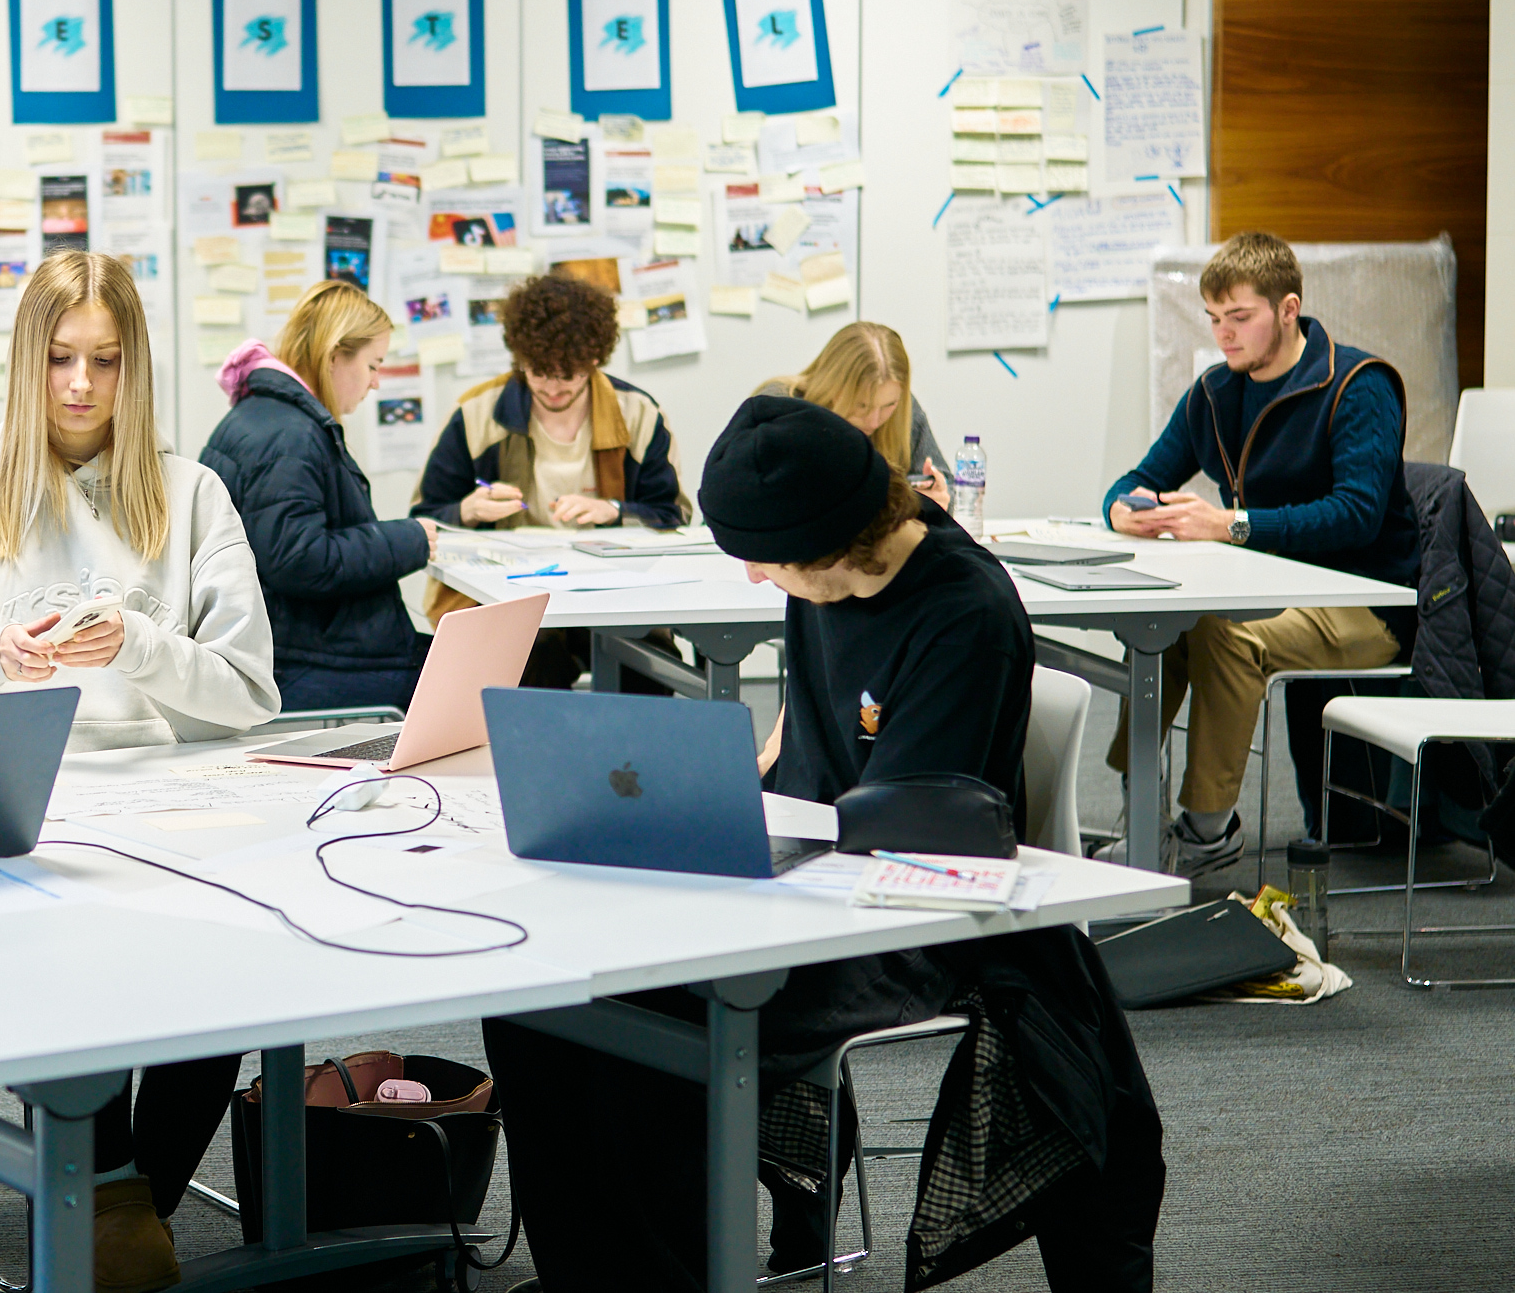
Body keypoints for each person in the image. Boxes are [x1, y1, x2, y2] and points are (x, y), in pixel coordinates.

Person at [483, 397, 1161, 1288]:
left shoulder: (965, 612)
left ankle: (656, 1272)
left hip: (904, 924)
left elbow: (908, 834)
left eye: (766, 562)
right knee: (531, 1000)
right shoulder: (827, 582)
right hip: (806, 879)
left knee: (635, 1014)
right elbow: (813, 763)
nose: (763, 584)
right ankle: (599, 1266)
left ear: (830, 540)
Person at [0, 250, 279, 1293]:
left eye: (105, 358)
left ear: (137, 365)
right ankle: (111, 1198)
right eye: (58, 357)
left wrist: (137, 641)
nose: (81, 383)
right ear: (24, 361)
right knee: (51, 973)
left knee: (223, 974)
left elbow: (249, 692)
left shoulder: (193, 494)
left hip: (174, 808)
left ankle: (123, 1200)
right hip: (21, 810)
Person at [1101, 231, 1417, 876]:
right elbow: (1135, 477)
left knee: (1225, 635)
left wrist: (1232, 525)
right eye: (1215, 319)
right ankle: (1140, 815)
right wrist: (1124, 508)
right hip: (1270, 587)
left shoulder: (1358, 385)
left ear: (1288, 308)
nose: (1224, 334)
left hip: (1367, 601)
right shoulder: (1217, 392)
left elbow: (1357, 514)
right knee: (1157, 628)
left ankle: (1208, 831)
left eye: (1240, 318)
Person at [412, 272, 688, 685]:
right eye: (538, 372)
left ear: (595, 359)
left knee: (650, 667)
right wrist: (467, 509)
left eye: (569, 374)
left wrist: (614, 511)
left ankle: (625, 752)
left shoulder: (637, 413)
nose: (553, 388)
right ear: (520, 357)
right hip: (510, 596)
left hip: (614, 595)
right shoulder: (478, 413)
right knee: (527, 665)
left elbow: (674, 515)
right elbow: (424, 517)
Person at [199, 280, 438, 714]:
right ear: (334, 358)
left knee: (457, 662)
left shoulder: (261, 415)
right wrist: (410, 540)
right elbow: (300, 560)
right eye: (373, 365)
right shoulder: (291, 435)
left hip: (291, 645)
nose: (377, 383)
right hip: (304, 661)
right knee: (478, 681)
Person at [757, 319, 953, 508]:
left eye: (888, 405)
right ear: (833, 388)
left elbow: (947, 487)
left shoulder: (903, 408)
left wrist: (936, 498)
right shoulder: (780, 408)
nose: (875, 420)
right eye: (862, 405)